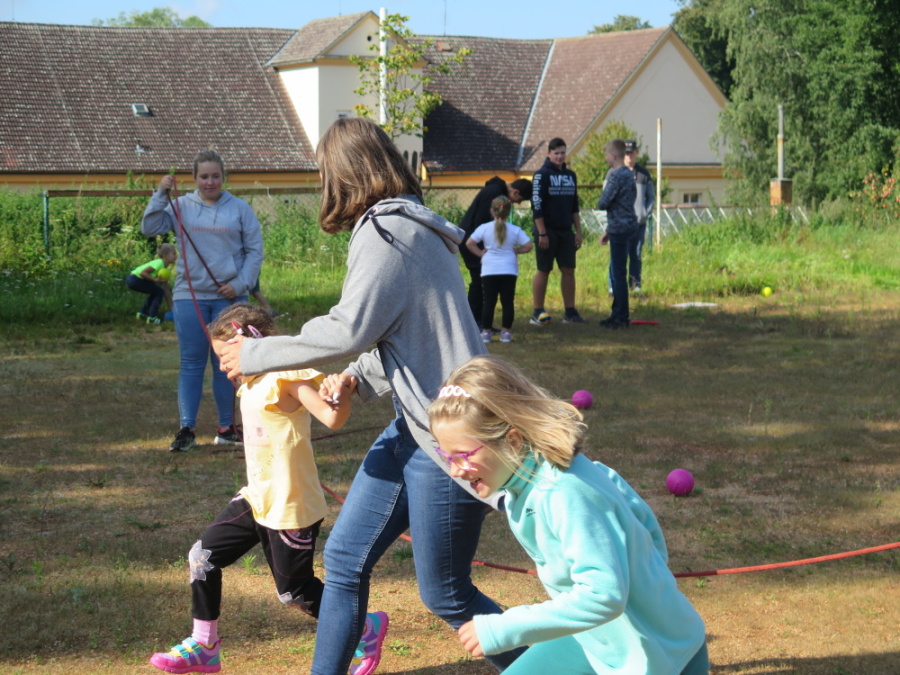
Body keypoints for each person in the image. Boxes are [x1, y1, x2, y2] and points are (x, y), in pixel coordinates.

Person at [217, 117, 523, 675]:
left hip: (448, 439)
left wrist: (257, 353)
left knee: (446, 593)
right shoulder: (403, 225)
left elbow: (351, 326)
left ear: (343, 174)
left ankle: (552, 664)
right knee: (344, 560)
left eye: (324, 174)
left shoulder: (388, 231)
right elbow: (404, 329)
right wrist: (357, 376)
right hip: (415, 426)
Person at [428, 354, 710, 675]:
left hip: (657, 657)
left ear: (513, 441)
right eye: (446, 456)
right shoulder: (533, 481)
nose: (455, 470)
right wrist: (649, 576)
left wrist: (506, 626)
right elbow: (644, 524)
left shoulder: (562, 492)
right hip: (602, 640)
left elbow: (602, 596)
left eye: (463, 456)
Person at [149, 302, 388, 675]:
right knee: (202, 557)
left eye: (224, 357)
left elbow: (332, 417)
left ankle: (366, 627)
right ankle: (204, 646)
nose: (222, 367)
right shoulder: (252, 381)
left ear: (250, 343)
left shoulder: (285, 376)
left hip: (290, 506)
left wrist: (340, 390)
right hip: (257, 497)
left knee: (294, 593)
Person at [141, 151, 264, 452]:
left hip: (230, 298)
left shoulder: (239, 208)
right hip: (190, 295)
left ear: (223, 177)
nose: (210, 182)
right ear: (194, 178)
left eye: (215, 176)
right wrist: (160, 194)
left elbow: (255, 250)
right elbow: (150, 227)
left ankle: (226, 428)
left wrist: (240, 284)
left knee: (228, 363)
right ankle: (187, 429)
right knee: (192, 362)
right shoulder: (180, 205)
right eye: (204, 177)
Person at [458, 176, 533, 329]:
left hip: (473, 240)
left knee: (482, 283)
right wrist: (483, 251)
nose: (517, 203)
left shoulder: (496, 190)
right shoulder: (495, 192)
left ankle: (482, 322)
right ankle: (474, 323)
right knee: (479, 282)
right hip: (472, 240)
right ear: (515, 192)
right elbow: (481, 221)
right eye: (519, 200)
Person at [530, 137, 586, 325]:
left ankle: (570, 312)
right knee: (544, 269)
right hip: (547, 230)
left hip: (565, 231)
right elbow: (536, 205)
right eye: (556, 153)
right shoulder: (541, 175)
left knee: (568, 269)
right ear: (549, 153)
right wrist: (542, 233)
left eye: (563, 152)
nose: (560, 156)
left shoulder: (571, 175)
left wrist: (578, 231)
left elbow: (574, 206)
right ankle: (537, 311)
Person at [597, 139, 639, 329]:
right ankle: (617, 313)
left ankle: (620, 316)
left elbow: (603, 202)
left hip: (619, 229)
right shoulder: (629, 174)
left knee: (618, 274)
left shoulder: (616, 175)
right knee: (618, 272)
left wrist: (611, 227)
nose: (605, 158)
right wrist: (608, 230)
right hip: (628, 226)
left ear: (613, 155)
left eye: (606, 154)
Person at [607, 140, 654, 294]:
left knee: (636, 255)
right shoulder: (613, 172)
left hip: (638, 224)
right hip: (619, 225)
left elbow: (651, 198)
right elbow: (607, 197)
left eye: (631, 152)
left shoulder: (643, 174)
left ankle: (635, 285)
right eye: (626, 153)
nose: (629, 155)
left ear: (636, 153)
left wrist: (644, 214)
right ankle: (613, 286)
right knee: (617, 256)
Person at [126, 243, 177, 324]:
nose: (176, 256)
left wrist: (172, 309)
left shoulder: (164, 269)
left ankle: (142, 314)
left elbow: (166, 290)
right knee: (159, 292)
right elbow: (143, 273)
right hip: (135, 279)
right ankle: (152, 317)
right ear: (165, 255)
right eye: (174, 253)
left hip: (134, 279)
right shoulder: (160, 263)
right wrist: (155, 280)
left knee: (156, 292)